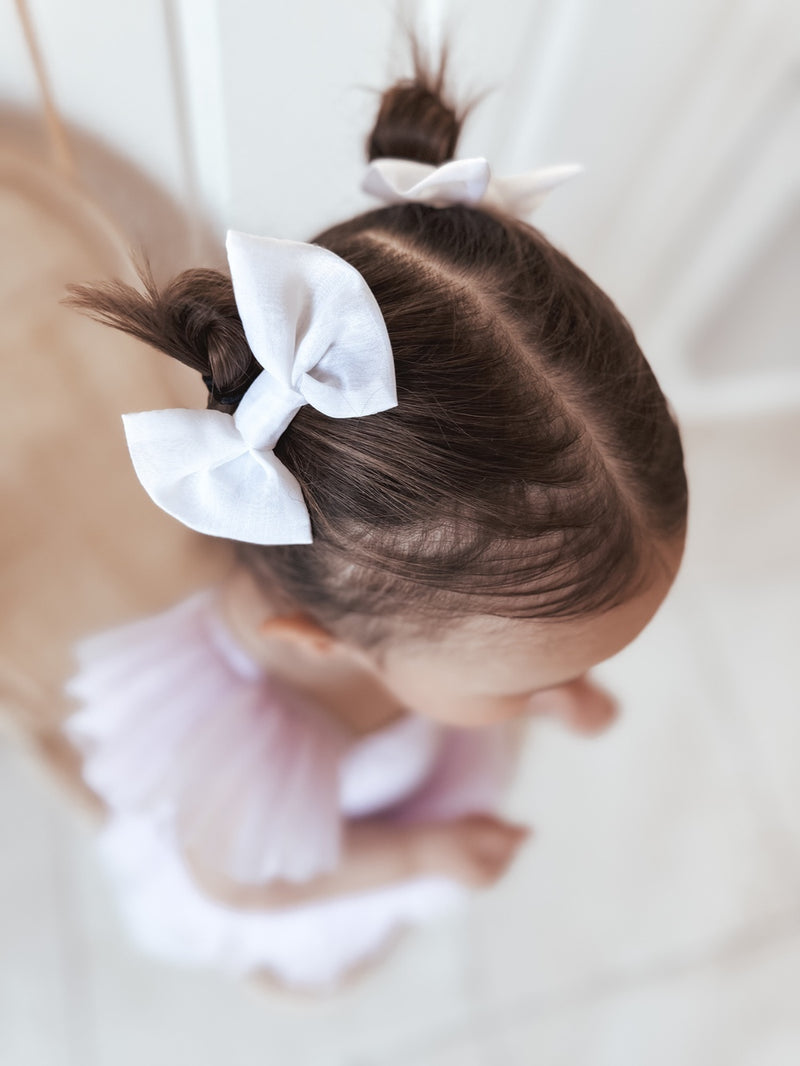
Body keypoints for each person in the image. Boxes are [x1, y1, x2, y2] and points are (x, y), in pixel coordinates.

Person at [59, 26, 688, 996]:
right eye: (527, 679)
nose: (554, 688)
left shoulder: (393, 619)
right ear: (316, 639)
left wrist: (549, 685)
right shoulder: (252, 762)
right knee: (302, 950)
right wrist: (415, 860)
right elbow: (243, 888)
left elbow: (474, 664)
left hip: (402, 689)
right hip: (314, 860)